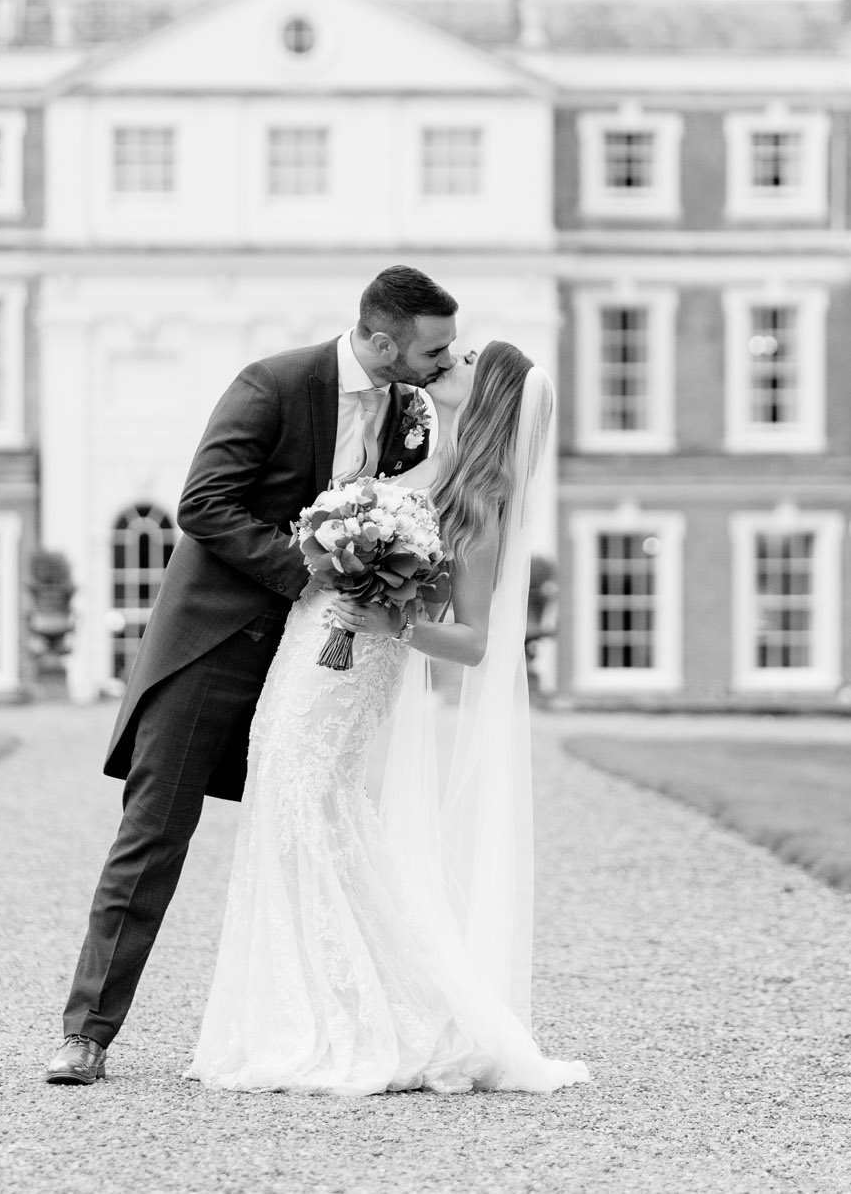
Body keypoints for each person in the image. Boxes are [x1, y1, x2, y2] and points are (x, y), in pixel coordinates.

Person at [46, 266, 459, 1086]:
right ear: (381, 340)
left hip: (313, 657)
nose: (444, 361)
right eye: (433, 347)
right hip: (217, 640)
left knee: (314, 825)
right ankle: (85, 1033)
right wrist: (309, 570)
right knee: (156, 830)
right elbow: (203, 503)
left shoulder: (408, 412)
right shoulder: (273, 382)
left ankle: (315, 1024)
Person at [185, 339, 589, 1095]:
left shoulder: (479, 507)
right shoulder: (416, 452)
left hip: (360, 658)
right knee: (280, 789)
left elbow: (474, 643)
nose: (451, 358)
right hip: (314, 638)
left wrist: (390, 625)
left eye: (466, 358)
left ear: (489, 395)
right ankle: (294, 1007)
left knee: (309, 802)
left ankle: (365, 1017)